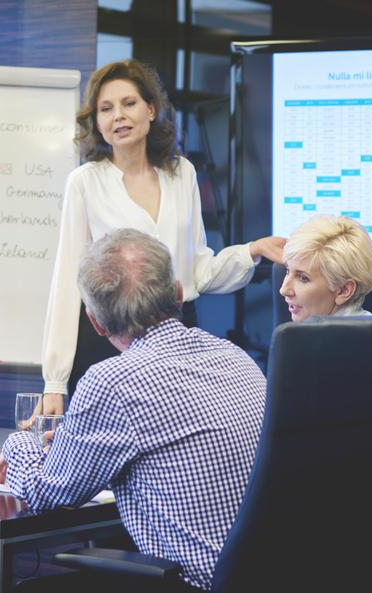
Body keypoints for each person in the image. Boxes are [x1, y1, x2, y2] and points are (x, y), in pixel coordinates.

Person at [0, 228, 267, 593]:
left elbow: (45, 493)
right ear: (177, 293)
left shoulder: (113, 382)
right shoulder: (238, 358)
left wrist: (21, 442)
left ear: (96, 323)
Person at [40, 58, 285, 416]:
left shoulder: (181, 173)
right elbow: (67, 284)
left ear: (151, 109)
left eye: (129, 103)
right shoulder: (85, 181)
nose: (118, 116)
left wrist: (253, 250)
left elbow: (198, 270)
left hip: (177, 333)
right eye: (105, 109)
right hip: (113, 337)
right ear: (96, 122)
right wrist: (54, 382)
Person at [279, 214, 372, 555]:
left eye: (301, 277)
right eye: (287, 271)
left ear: (344, 290)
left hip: (348, 536)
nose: (284, 288)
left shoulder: (314, 358)